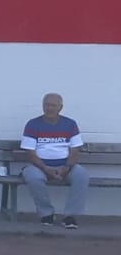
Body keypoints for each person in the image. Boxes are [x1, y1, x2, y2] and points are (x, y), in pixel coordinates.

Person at [20, 93, 89, 228]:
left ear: (60, 107)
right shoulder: (33, 124)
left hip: (65, 166)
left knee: (82, 175)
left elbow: (75, 150)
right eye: (46, 105)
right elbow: (31, 153)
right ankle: (47, 214)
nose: (49, 108)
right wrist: (46, 169)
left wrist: (67, 167)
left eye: (53, 105)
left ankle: (70, 216)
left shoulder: (70, 124)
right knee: (33, 177)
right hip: (39, 166)